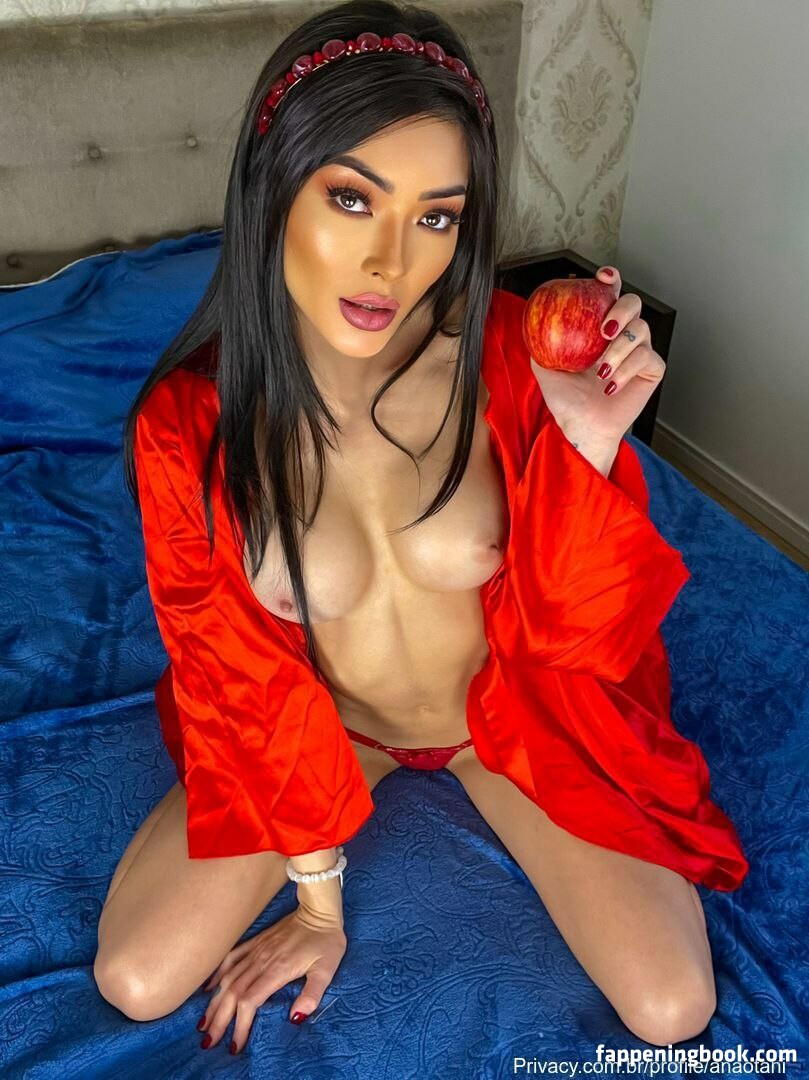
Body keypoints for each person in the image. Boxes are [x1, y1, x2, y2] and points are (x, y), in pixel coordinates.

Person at [94, 0, 749, 1056]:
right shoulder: (190, 427)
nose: (391, 262)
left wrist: (584, 448)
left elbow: (583, 642)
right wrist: (318, 906)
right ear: (272, 190)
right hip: (330, 732)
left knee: (673, 1008)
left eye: (436, 217)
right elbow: (235, 680)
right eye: (352, 198)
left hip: (509, 720)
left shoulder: (513, 357)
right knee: (135, 977)